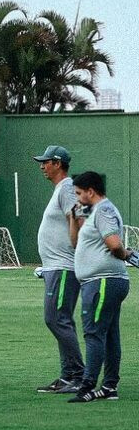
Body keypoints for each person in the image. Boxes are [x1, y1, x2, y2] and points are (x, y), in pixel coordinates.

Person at [67, 172, 136, 403]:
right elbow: (77, 244)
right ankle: (109, 387)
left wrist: (125, 253)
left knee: (94, 333)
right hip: (102, 281)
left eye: (78, 193)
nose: (76, 198)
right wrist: (74, 218)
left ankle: (87, 386)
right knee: (109, 335)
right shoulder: (94, 213)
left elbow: (114, 243)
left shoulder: (104, 210)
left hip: (103, 281)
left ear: (90, 191)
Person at [32, 146, 85, 394]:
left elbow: (77, 218)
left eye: (45, 162)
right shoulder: (60, 189)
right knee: (61, 320)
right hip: (55, 267)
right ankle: (68, 376)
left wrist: (78, 251)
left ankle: (77, 375)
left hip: (64, 267)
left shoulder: (66, 187)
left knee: (55, 319)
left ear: (57, 163)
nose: (42, 166)